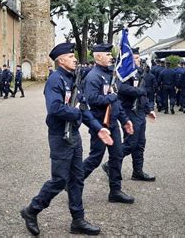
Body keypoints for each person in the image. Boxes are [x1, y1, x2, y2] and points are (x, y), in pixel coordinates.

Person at [20, 43, 114, 236]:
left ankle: (78, 220)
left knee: (77, 178)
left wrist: (98, 129)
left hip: (73, 135)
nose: (75, 59)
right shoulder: (56, 80)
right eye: (71, 57)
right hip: (59, 136)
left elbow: (84, 110)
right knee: (59, 180)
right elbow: (54, 108)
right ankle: (31, 210)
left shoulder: (73, 79)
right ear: (61, 60)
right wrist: (76, 111)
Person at [82, 43, 135, 204]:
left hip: (112, 123)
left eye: (110, 54)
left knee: (117, 156)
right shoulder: (93, 76)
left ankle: (115, 190)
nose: (111, 57)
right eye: (107, 54)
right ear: (98, 57)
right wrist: (111, 97)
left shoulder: (109, 75)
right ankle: (72, 182)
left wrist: (125, 120)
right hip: (99, 124)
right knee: (95, 158)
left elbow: (116, 104)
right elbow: (92, 99)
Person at [102, 48, 156, 182]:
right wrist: (138, 90)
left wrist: (149, 109)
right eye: (135, 58)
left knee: (140, 143)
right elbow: (122, 88)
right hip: (129, 110)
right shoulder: (123, 73)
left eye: (138, 58)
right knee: (131, 143)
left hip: (140, 111)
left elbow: (145, 94)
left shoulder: (139, 73)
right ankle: (111, 165)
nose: (138, 60)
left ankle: (137, 172)